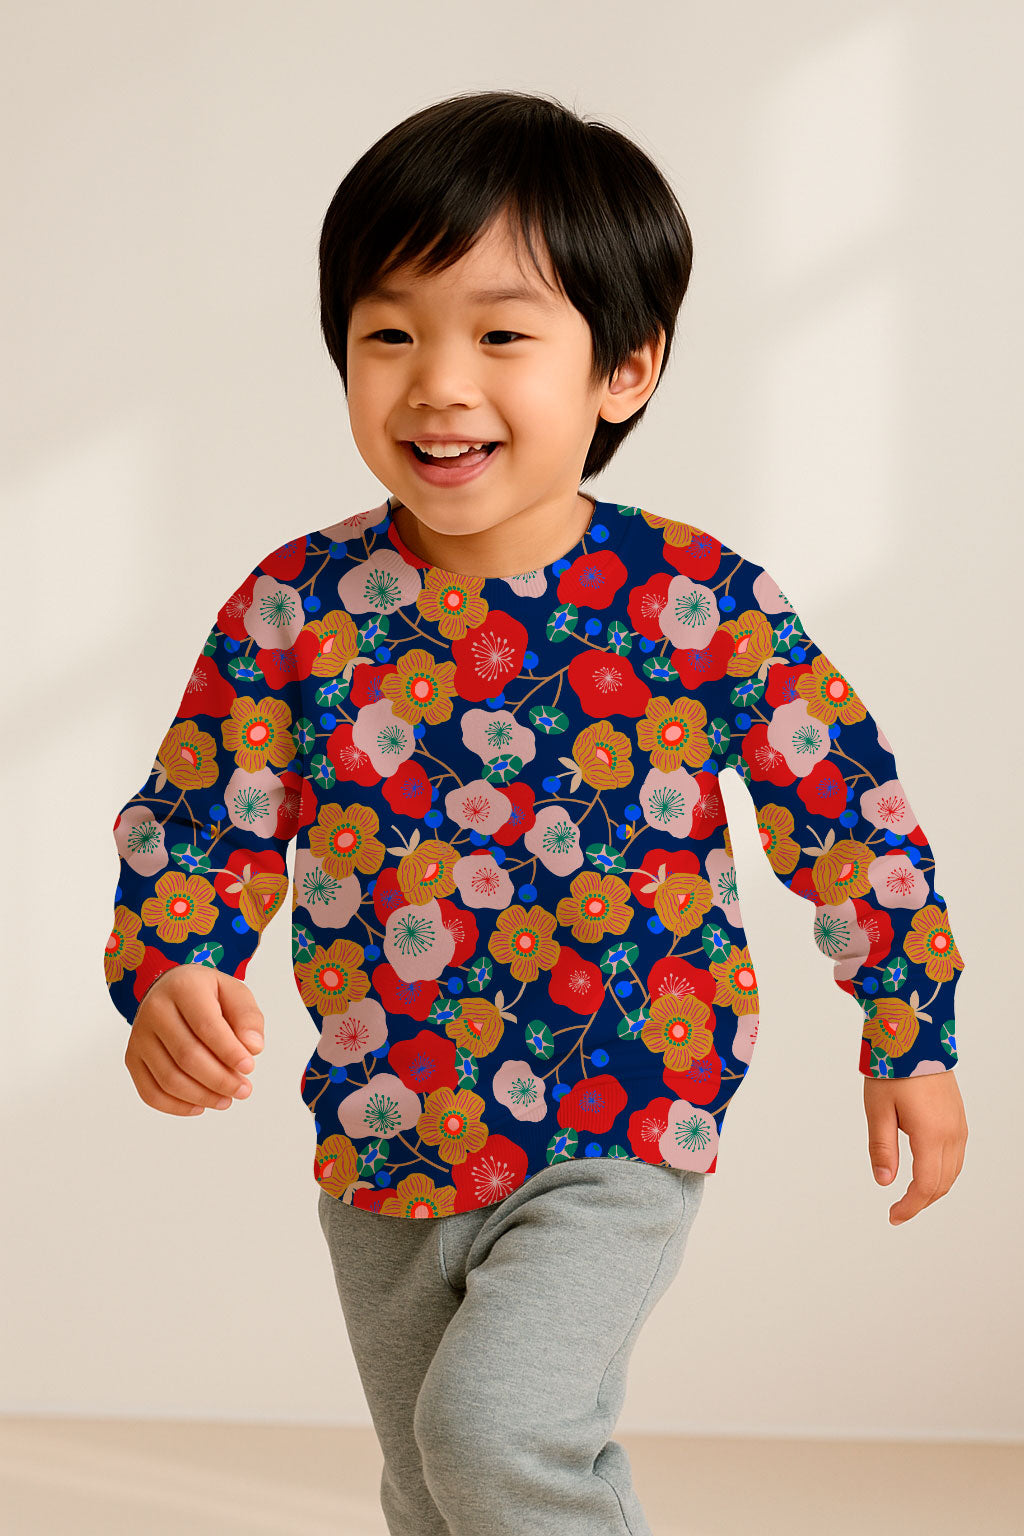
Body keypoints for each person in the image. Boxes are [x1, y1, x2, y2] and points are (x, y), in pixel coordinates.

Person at [104, 89, 968, 1536]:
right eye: (390, 335)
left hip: (622, 1110)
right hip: (383, 1128)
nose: (438, 383)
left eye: (502, 336)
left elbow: (848, 814)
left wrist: (910, 1027)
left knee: (496, 1435)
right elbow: (197, 818)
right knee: (432, 1484)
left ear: (624, 369)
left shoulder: (699, 602)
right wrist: (170, 967)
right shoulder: (293, 608)